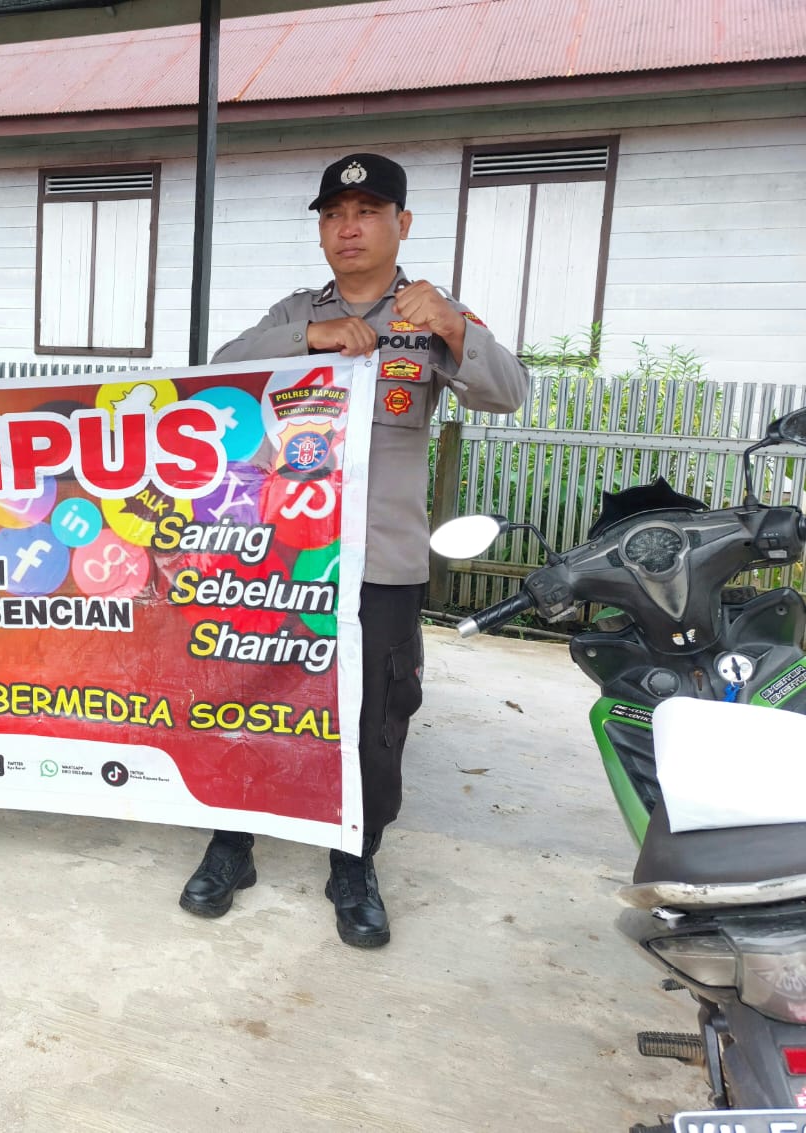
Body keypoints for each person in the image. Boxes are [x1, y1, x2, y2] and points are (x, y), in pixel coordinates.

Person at [182, 152, 528, 946]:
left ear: (400, 224)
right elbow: (218, 372)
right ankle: (233, 842)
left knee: (376, 716)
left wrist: (453, 326)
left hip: (381, 560)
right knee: (253, 695)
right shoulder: (295, 313)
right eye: (334, 215)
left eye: (367, 211)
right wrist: (310, 337)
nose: (349, 227)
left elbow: (509, 392)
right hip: (282, 556)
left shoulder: (433, 314)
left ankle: (354, 858)